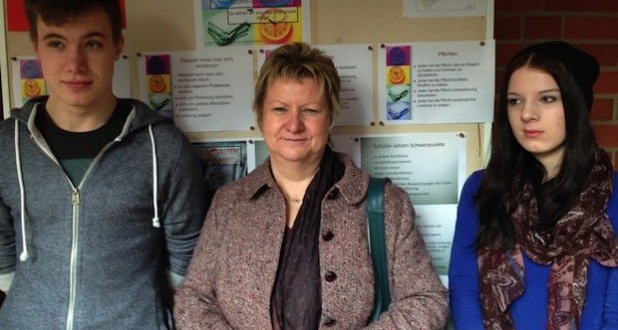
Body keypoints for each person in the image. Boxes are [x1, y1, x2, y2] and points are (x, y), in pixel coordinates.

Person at [174, 42, 448, 329]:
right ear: (260, 116)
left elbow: (427, 299)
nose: (294, 125)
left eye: (310, 110)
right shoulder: (229, 203)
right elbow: (194, 299)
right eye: (280, 109)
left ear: (330, 117)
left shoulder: (386, 204)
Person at [0, 0, 208, 329]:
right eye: (56, 43)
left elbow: (186, 261)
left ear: (117, 46)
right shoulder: (6, 145)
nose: (75, 64)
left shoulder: (165, 148)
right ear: (36, 48)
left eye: (92, 43)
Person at [448, 41, 618, 329]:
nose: (527, 113)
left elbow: (614, 311)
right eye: (515, 100)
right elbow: (465, 289)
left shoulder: (612, 195)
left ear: (576, 104)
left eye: (547, 99)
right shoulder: (483, 189)